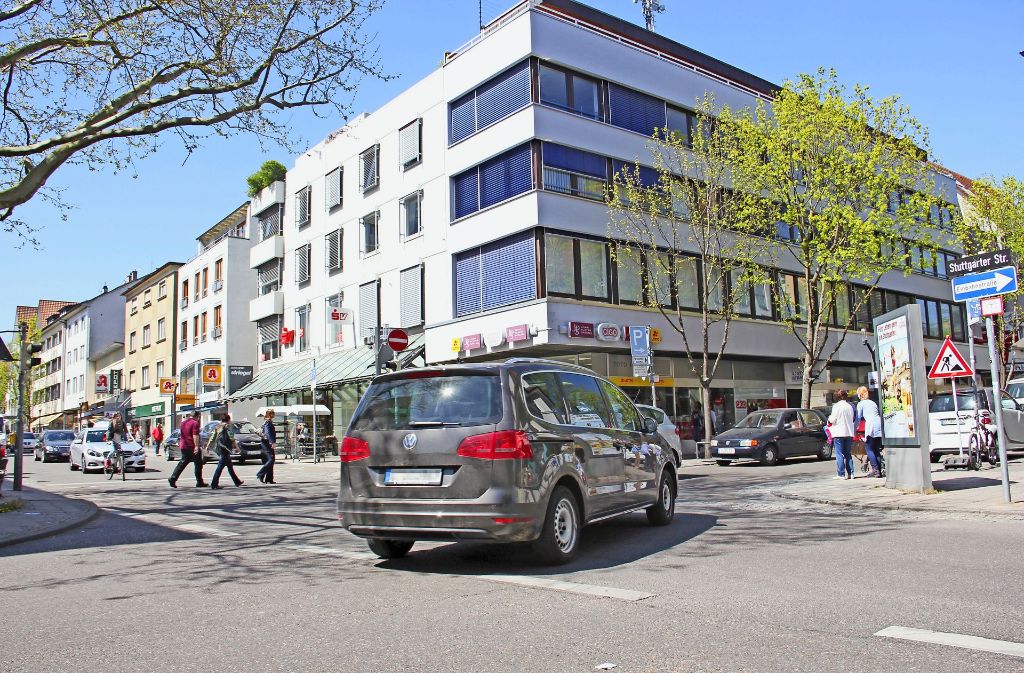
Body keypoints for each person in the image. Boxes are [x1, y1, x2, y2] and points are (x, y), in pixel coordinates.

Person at [168, 411, 206, 488]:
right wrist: (196, 446)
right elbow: (195, 435)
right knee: (198, 464)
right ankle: (199, 482)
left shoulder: (183, 423)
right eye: (199, 417)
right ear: (197, 416)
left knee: (182, 463)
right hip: (191, 446)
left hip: (184, 445)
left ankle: (173, 478)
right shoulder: (195, 423)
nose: (198, 419)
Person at [855, 386, 883, 478]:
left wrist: (855, 429)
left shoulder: (861, 404)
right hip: (879, 425)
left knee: (869, 448)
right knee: (876, 449)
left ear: (860, 395)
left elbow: (858, 418)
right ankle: (878, 470)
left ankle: (875, 470)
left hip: (871, 426)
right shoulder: (873, 403)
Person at [210, 413, 243, 490]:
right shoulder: (227, 426)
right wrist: (237, 447)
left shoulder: (218, 426)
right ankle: (214, 484)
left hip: (220, 447)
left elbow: (213, 436)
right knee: (220, 467)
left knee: (230, 466)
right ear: (228, 419)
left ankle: (237, 481)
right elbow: (231, 437)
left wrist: (209, 445)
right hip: (225, 448)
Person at [828, 389, 856, 480]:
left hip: (839, 432)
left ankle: (841, 474)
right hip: (848, 432)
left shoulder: (836, 406)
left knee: (839, 454)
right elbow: (852, 418)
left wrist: (829, 419)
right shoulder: (850, 406)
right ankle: (851, 473)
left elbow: (832, 420)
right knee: (848, 453)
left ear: (838, 397)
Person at [256, 409, 277, 484]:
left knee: (270, 459)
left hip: (266, 443)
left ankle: (269, 479)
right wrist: (272, 442)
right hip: (266, 443)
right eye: (273, 413)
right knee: (271, 459)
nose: (274, 415)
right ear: (271, 414)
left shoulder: (267, 422)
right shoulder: (268, 423)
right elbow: (268, 433)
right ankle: (260, 474)